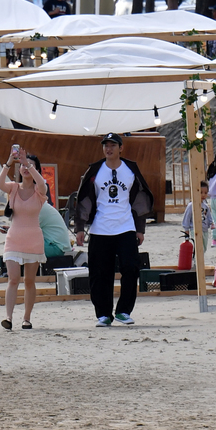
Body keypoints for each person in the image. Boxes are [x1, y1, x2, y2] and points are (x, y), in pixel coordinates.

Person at [73, 133, 154, 327]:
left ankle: (124, 311)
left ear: (121, 148)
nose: (108, 149)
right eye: (105, 145)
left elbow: (139, 199)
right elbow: (83, 199)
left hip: (125, 226)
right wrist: (80, 228)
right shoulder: (95, 170)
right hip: (100, 228)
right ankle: (103, 314)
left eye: (113, 145)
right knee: (100, 273)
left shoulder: (130, 169)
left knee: (131, 267)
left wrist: (140, 228)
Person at [0, 146, 49, 330]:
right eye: (24, 166)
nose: (26, 168)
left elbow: (42, 183)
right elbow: (0, 183)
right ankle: (8, 317)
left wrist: (28, 163)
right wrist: (10, 162)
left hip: (33, 240)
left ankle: (26, 318)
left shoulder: (39, 191)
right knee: (13, 279)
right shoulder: (13, 188)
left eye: (30, 166)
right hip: (14, 238)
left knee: (29, 281)